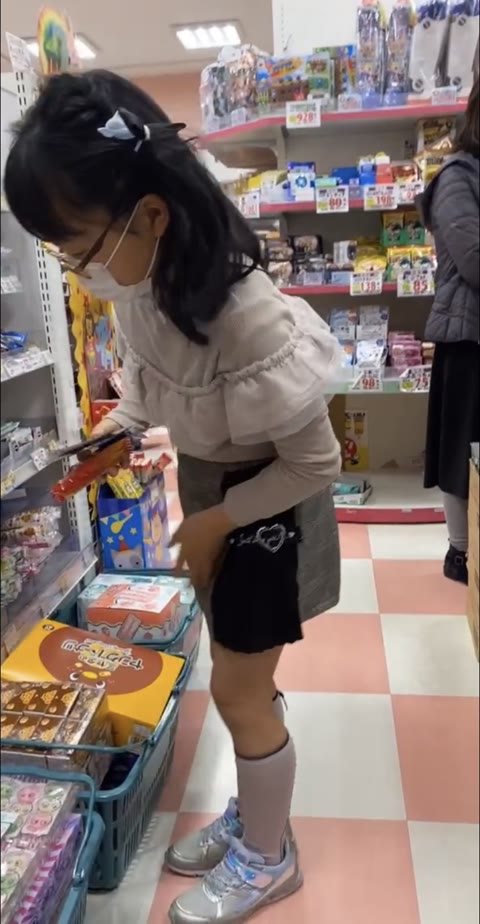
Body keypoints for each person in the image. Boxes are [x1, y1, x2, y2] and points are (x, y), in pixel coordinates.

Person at [5, 71, 342, 923]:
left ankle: (269, 857)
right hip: (217, 499)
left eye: (78, 249)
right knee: (242, 681)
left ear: (150, 214)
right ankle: (257, 814)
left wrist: (216, 522)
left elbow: (316, 464)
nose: (76, 272)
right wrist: (119, 431)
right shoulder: (142, 284)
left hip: (268, 513)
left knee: (237, 690)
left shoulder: (246, 315)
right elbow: (156, 387)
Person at [420, 77, 479, 585]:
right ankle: (460, 553)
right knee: (461, 449)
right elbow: (473, 259)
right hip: (467, 339)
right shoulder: (457, 177)